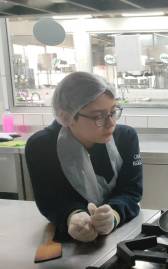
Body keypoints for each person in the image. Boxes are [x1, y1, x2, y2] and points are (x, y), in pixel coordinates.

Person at [26, 72, 143, 242]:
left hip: (122, 232)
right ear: (67, 117)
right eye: (99, 116)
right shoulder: (41, 146)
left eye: (113, 111)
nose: (111, 123)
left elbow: (131, 191)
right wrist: (73, 216)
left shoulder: (125, 137)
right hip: (67, 240)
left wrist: (114, 215)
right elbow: (49, 199)